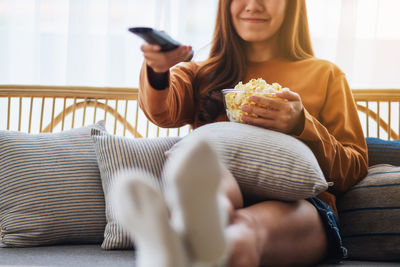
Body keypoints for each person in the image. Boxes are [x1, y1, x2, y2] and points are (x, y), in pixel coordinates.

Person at [122, 0, 369, 266]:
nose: (252, 6)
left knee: (245, 230)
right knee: (212, 183)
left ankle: (176, 243)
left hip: (302, 205)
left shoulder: (326, 75)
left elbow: (354, 168)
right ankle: (186, 228)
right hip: (221, 183)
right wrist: (158, 71)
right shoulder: (201, 73)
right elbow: (161, 111)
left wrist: (302, 125)